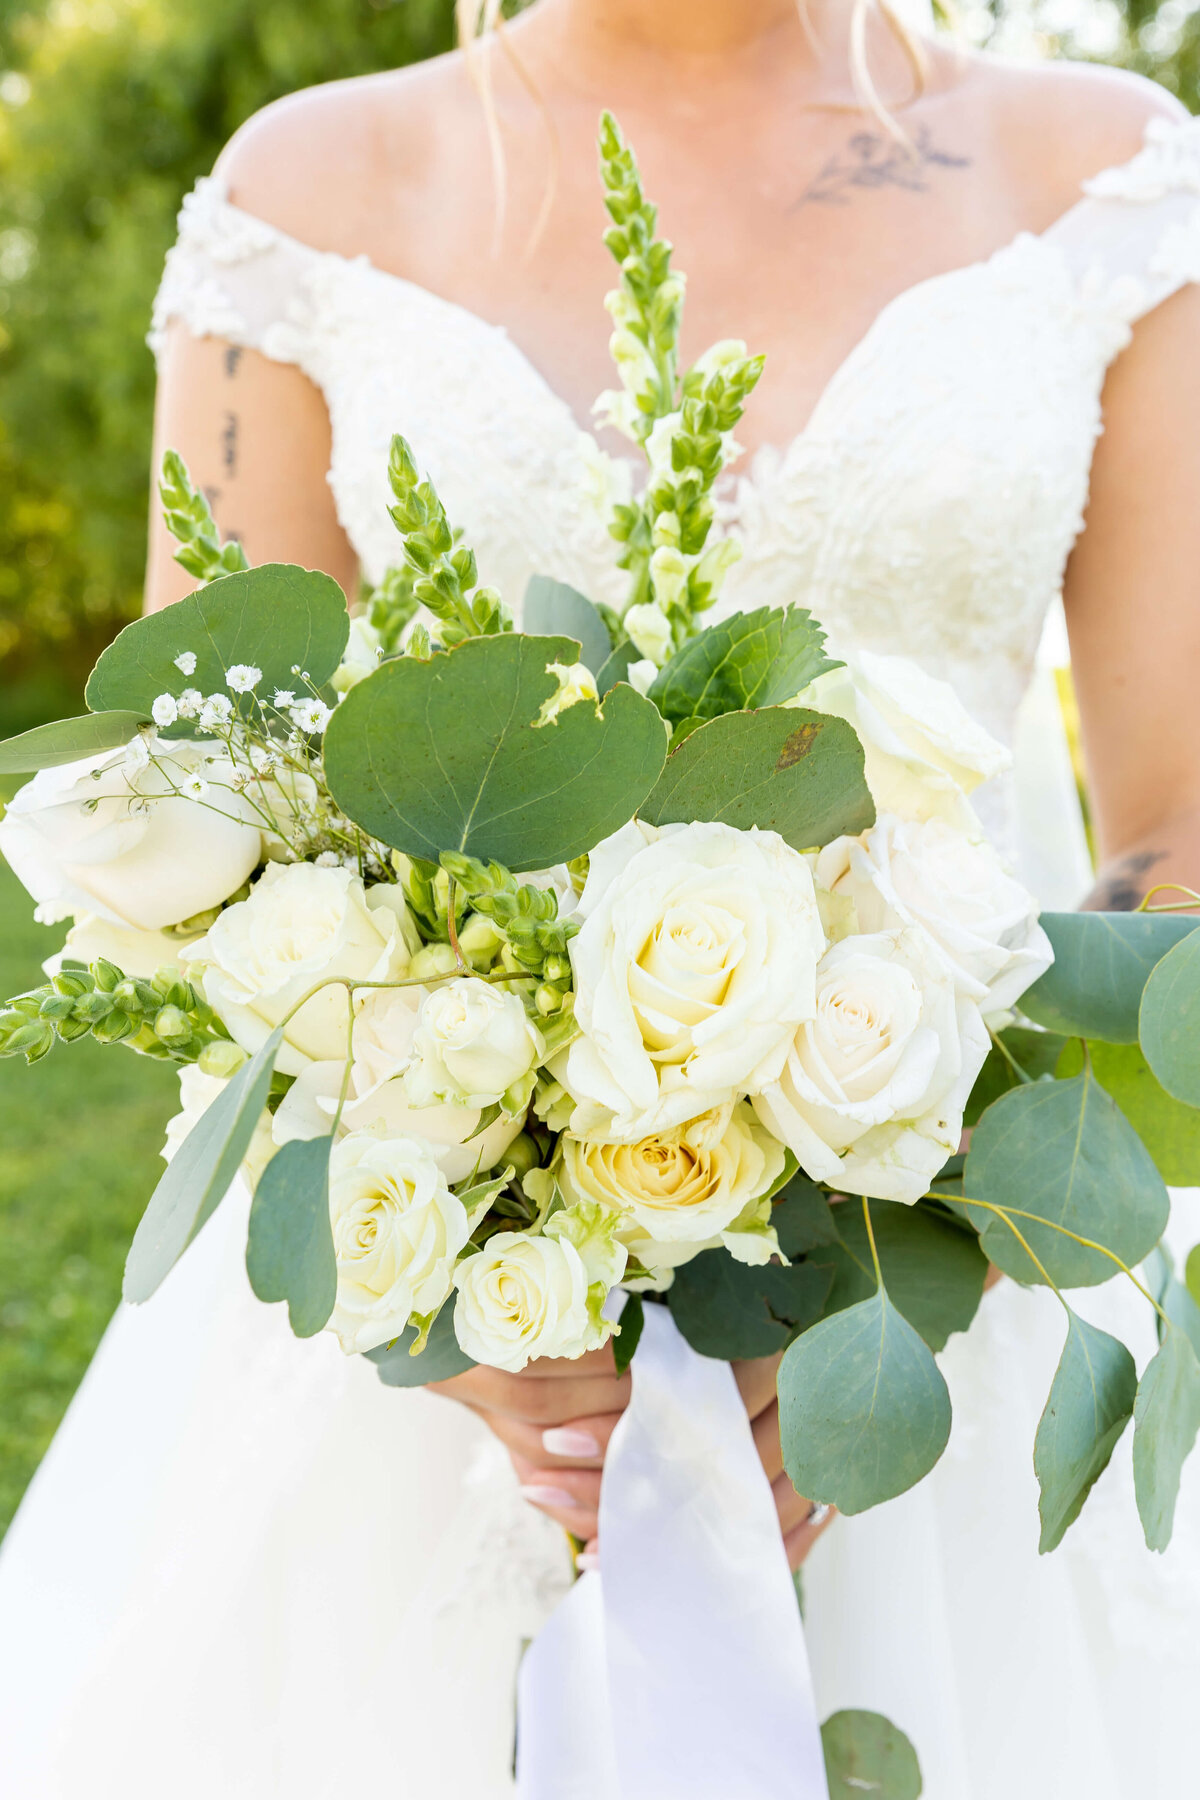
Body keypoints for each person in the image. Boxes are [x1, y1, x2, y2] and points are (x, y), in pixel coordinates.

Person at [2, 1, 1200, 1794]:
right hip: (437, 1354)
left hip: (970, 1280)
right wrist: (461, 1294)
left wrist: (917, 1248)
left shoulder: (1099, 174)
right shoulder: (308, 195)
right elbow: (212, 849)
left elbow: (1177, 828)